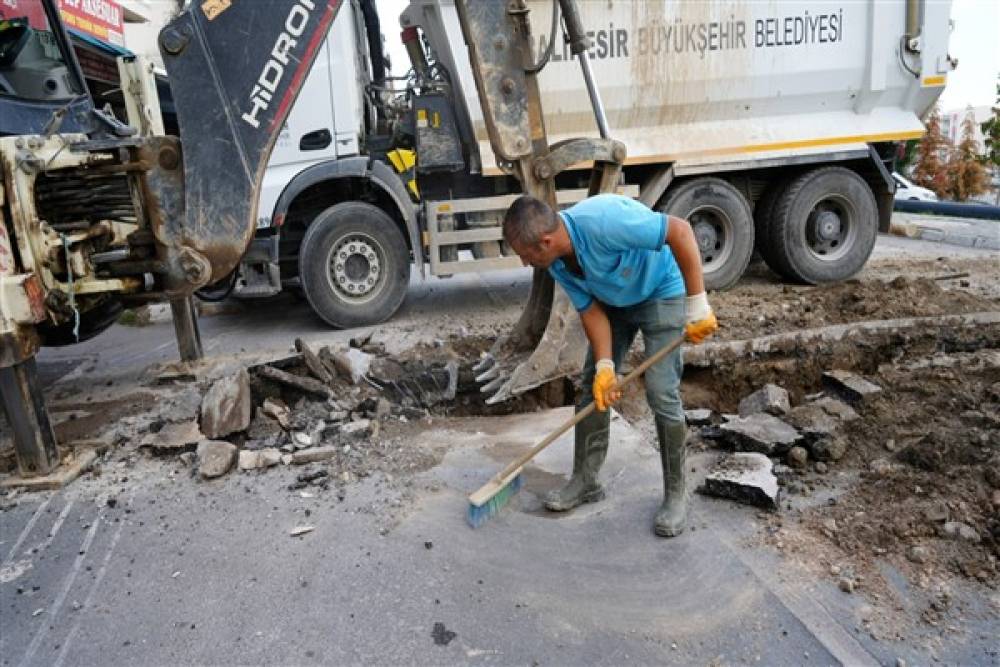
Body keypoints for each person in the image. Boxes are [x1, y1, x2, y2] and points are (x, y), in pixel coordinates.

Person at [502, 193, 718, 537]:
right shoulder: (557, 261)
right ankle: (586, 481)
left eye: (526, 256)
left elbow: (679, 231)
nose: (526, 264)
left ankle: (676, 494)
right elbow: (590, 310)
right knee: (593, 387)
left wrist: (697, 305)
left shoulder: (605, 222)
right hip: (615, 303)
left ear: (545, 242)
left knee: (662, 392)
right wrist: (605, 366)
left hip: (660, 290)